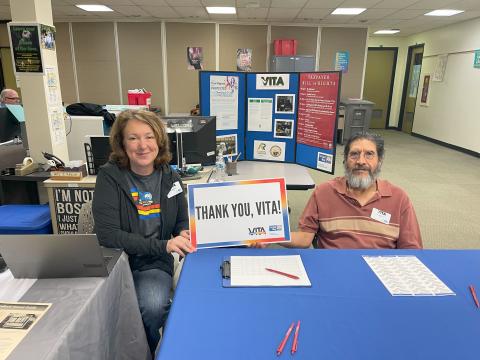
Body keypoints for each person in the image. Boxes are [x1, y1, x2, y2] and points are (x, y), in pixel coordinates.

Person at [92, 109, 194, 354]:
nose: (142, 145)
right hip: (116, 261)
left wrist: (183, 233)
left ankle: (146, 350)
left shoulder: (170, 176)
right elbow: (107, 235)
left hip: (153, 262)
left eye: (148, 137)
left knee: (153, 306)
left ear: (158, 140)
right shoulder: (110, 176)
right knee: (91, 312)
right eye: (133, 138)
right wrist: (164, 245)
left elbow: (181, 221)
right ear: (122, 144)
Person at [289, 132, 422, 249]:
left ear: (380, 161)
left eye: (369, 154)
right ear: (345, 161)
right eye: (354, 154)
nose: (360, 161)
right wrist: (272, 236)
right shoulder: (324, 192)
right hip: (335, 267)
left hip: (380, 269)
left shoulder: (398, 198)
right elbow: (304, 237)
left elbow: (411, 248)